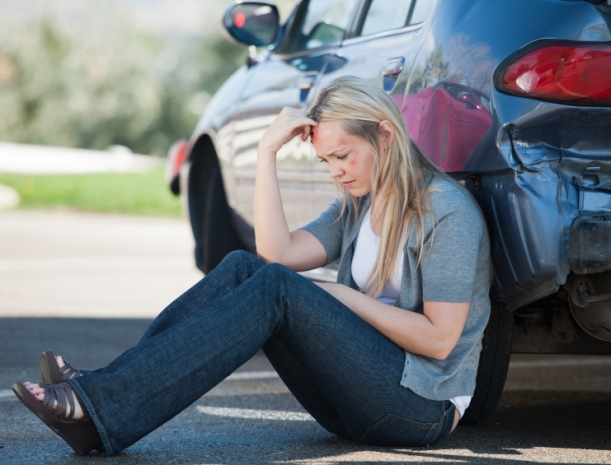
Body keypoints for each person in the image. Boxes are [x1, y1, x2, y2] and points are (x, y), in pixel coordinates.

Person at [13, 76, 492, 456]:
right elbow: (275, 254)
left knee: (278, 289)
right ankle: (105, 393)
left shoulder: (445, 211)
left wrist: (341, 296)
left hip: (421, 407)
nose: (336, 172)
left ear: (385, 135)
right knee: (246, 267)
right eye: (326, 161)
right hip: (356, 401)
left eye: (343, 156)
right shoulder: (359, 204)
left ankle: (100, 405)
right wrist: (266, 151)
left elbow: (439, 338)